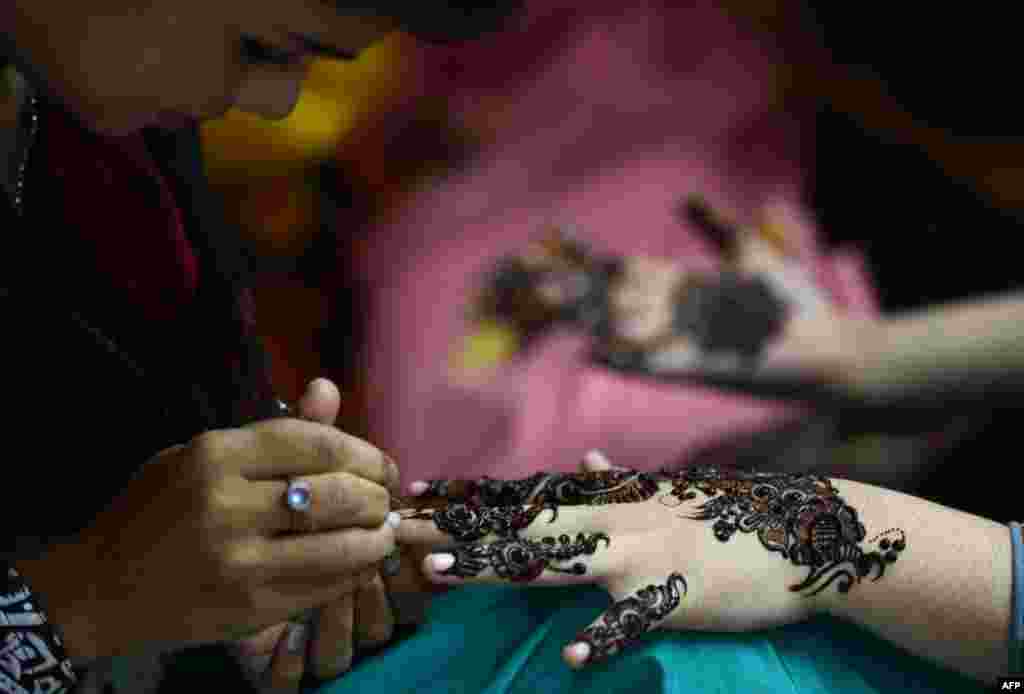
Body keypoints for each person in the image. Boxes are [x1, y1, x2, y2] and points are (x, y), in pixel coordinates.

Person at [0, 2, 522, 692]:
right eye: (260, 50)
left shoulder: (112, 142)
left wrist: (253, 571)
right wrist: (84, 603)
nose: (277, 106)